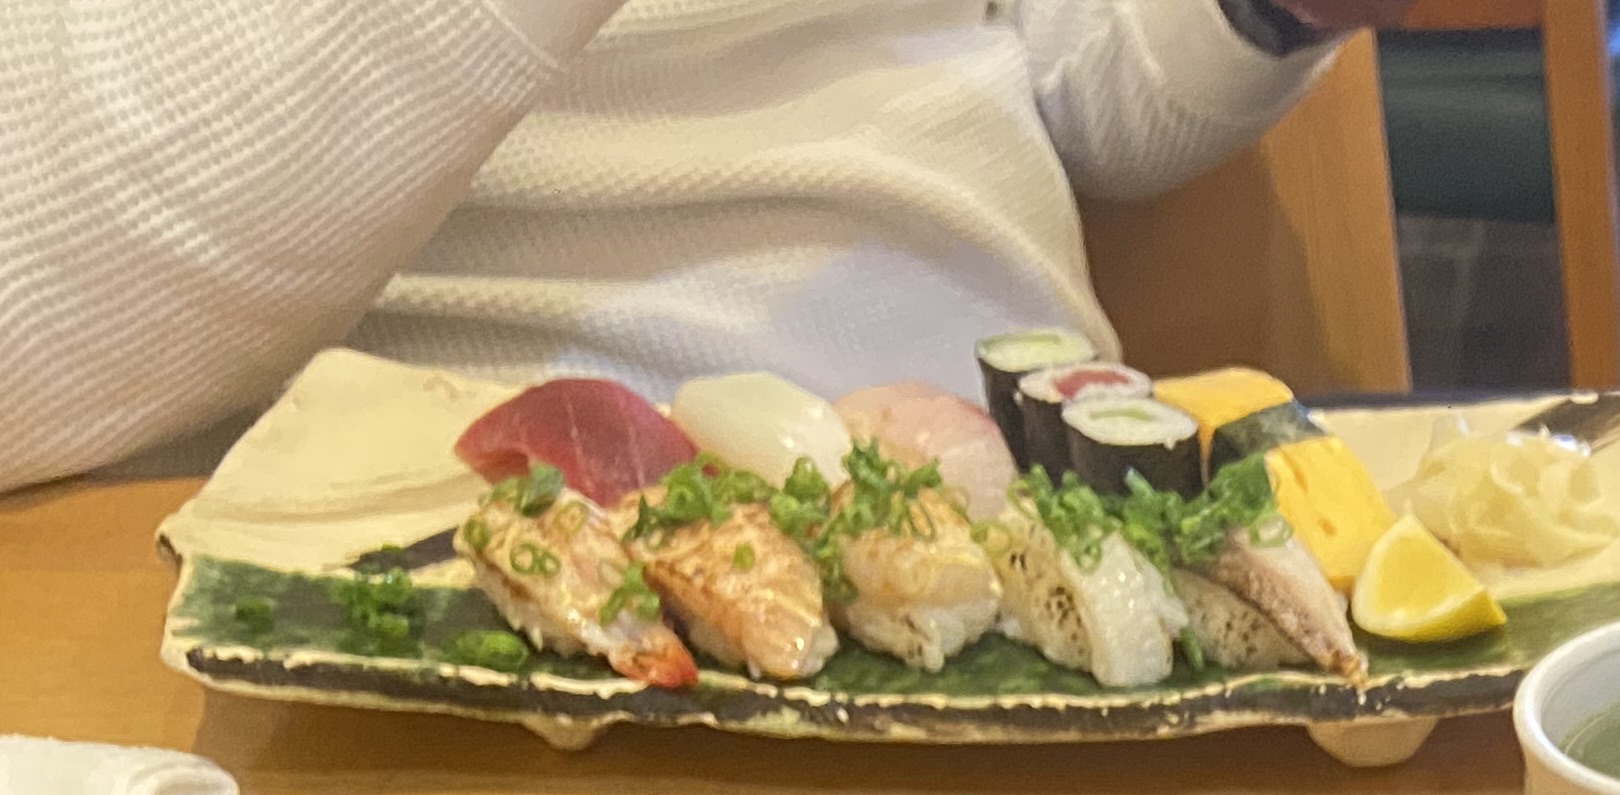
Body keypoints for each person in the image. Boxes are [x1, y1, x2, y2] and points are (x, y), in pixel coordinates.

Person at [0, 0, 1414, 493]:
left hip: (1024, 506)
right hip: (461, 572)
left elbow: (1064, 74)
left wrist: (1251, 12)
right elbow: (37, 333)